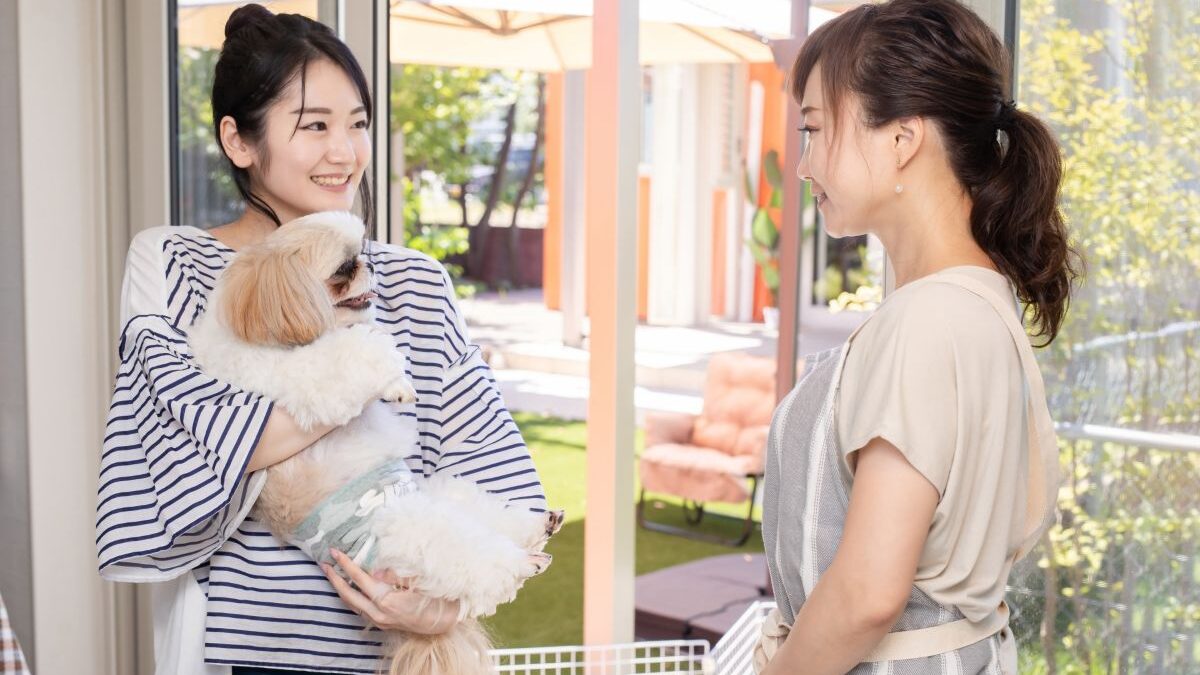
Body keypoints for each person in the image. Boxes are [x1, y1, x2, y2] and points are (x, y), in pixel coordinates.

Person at [95, 6, 547, 674]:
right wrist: (352, 374)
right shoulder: (175, 265)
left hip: (387, 655)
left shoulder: (413, 282)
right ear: (239, 140)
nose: (346, 152)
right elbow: (194, 438)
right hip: (244, 653)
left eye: (358, 124)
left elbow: (505, 490)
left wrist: (441, 611)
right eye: (315, 126)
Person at [755, 1, 1080, 673]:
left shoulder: (928, 321)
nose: (804, 165)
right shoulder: (980, 304)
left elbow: (868, 595)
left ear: (903, 139)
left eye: (814, 130)